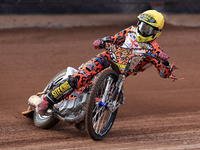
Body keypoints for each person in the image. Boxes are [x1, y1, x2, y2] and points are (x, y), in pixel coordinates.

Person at [37, 10, 171, 115]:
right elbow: (112, 39)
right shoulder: (130, 31)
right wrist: (101, 41)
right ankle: (48, 99)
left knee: (107, 100)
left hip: (118, 74)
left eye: (148, 29)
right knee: (80, 78)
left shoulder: (156, 51)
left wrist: (164, 63)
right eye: (142, 25)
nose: (143, 30)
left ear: (156, 32)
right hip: (106, 58)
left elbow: (165, 74)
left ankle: (87, 118)